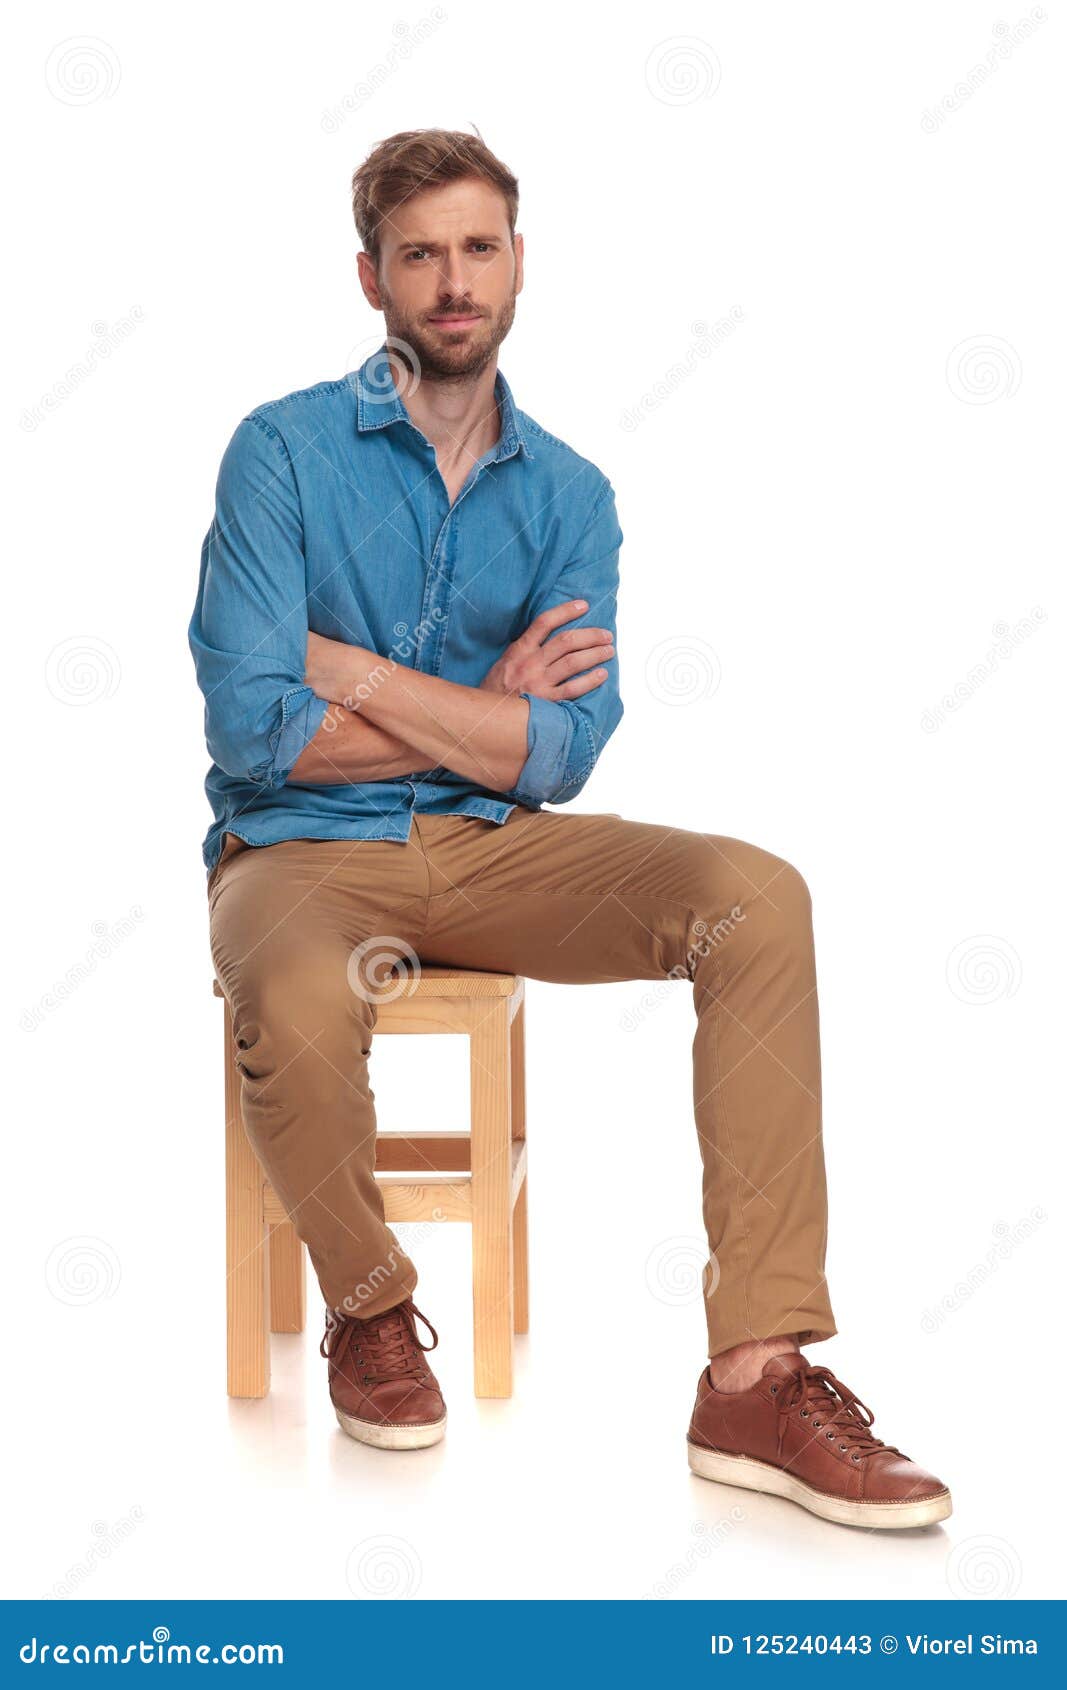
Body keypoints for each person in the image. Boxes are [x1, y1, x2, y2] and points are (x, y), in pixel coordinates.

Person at [189, 127, 951, 1529]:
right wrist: (477, 706)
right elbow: (252, 726)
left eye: (479, 247)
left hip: (493, 850)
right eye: (420, 253)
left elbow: (562, 749)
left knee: (754, 894)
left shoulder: (572, 495)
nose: (453, 279)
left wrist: (353, 672)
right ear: (373, 277)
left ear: (519, 262)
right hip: (300, 851)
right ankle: (370, 1303)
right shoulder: (281, 453)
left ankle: (757, 1373)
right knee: (295, 986)